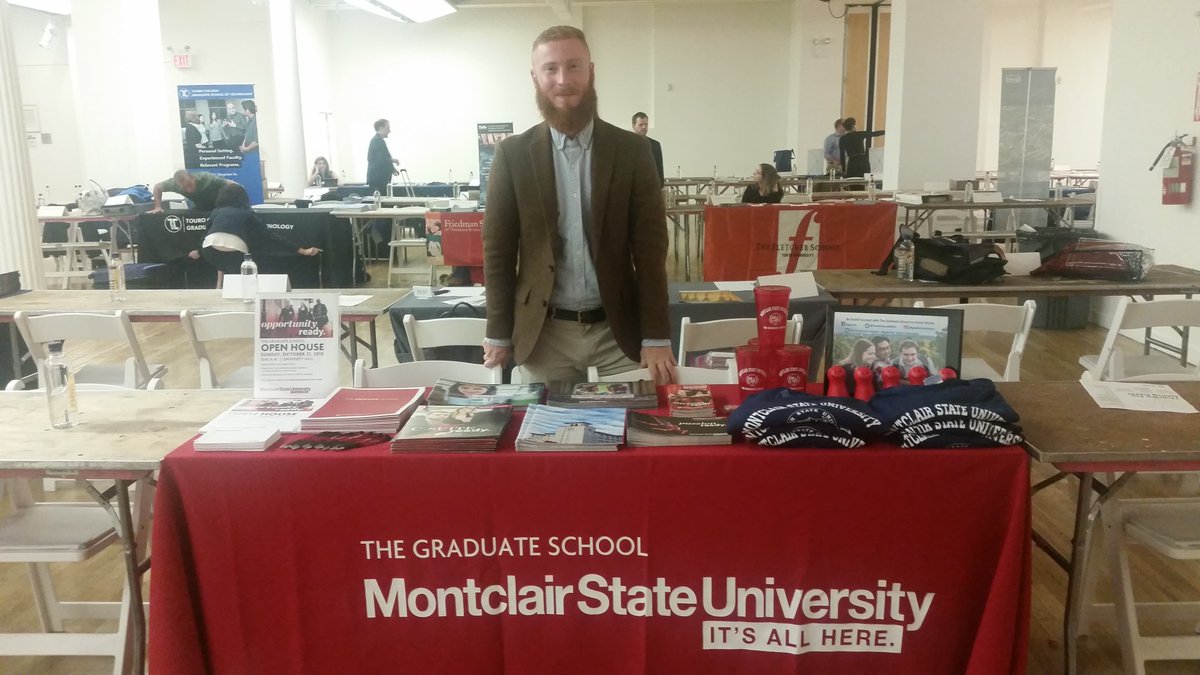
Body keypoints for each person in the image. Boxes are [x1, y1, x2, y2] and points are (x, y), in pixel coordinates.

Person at [481, 25, 675, 386]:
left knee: (632, 436)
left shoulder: (633, 151)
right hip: (543, 336)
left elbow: (650, 252)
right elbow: (498, 252)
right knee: (544, 438)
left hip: (619, 335)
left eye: (573, 66)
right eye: (550, 69)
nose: (562, 80)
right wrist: (498, 332)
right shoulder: (512, 155)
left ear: (591, 71)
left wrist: (656, 335)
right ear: (535, 77)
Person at [198, 182, 321, 280]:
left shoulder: (217, 211)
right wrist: (301, 250)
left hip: (209, 248)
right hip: (236, 250)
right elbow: (269, 236)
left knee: (222, 260)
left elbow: (206, 234)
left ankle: (219, 286)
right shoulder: (247, 214)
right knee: (240, 275)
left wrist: (197, 250)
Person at [150, 169, 232, 212]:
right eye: (184, 188)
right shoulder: (173, 184)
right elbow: (157, 187)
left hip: (220, 206)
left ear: (193, 178)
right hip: (201, 207)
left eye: (189, 185)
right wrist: (157, 206)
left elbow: (233, 185)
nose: (189, 190)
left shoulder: (207, 178)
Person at [367, 119, 399, 194]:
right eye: (388, 128)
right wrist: (393, 160)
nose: (389, 131)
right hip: (378, 180)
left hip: (378, 179)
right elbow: (381, 159)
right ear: (381, 128)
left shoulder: (377, 140)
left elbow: (381, 158)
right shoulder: (377, 141)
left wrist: (392, 168)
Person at [631, 112, 664, 185]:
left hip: (651, 186)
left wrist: (660, 186)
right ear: (633, 126)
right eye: (640, 124)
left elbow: (659, 168)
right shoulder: (627, 145)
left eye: (646, 124)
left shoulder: (655, 145)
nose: (644, 127)